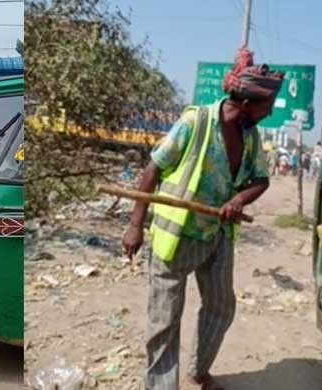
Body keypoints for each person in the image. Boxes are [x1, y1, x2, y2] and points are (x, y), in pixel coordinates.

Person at [121, 46, 282, 390]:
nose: (268, 114)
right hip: (175, 236)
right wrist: (135, 224)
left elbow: (261, 180)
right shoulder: (195, 122)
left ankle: (199, 370)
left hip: (217, 237)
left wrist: (239, 199)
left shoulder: (251, 136)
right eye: (266, 107)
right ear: (247, 102)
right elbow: (152, 169)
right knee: (164, 320)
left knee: (221, 306)